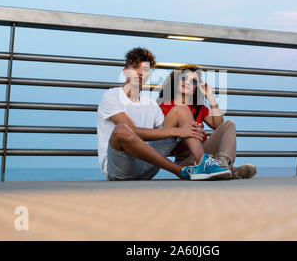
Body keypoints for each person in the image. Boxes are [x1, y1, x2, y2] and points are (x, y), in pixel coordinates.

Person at [97, 47, 231, 181]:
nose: (139, 73)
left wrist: (192, 129)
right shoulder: (112, 96)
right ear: (125, 71)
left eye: (145, 69)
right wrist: (179, 131)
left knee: (182, 110)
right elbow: (133, 132)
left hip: (147, 165)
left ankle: (203, 163)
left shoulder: (152, 106)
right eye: (135, 67)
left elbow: (165, 135)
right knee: (121, 130)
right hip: (120, 169)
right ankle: (182, 171)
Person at [157, 64, 257, 179]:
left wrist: (210, 97)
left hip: (206, 153)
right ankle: (231, 171)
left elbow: (218, 125)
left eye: (193, 82)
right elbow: (164, 138)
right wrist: (192, 132)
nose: (187, 82)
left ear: (196, 88)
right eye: (184, 78)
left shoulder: (199, 108)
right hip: (186, 158)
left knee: (229, 125)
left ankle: (223, 164)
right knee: (192, 137)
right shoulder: (163, 107)